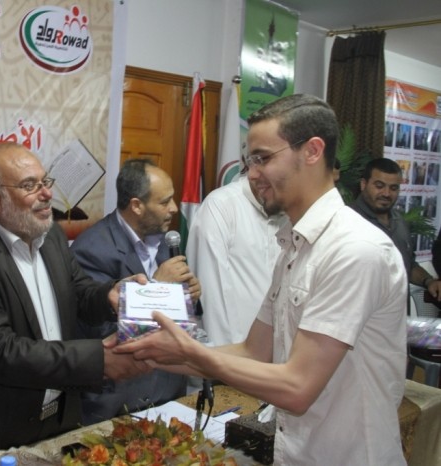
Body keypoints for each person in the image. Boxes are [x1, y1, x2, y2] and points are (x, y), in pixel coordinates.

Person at [116, 94, 408, 465]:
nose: (252, 174)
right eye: (250, 160)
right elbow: (254, 351)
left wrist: (190, 352)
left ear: (313, 151)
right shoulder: (294, 246)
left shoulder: (353, 250)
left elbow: (298, 388)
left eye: (263, 158)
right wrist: (155, 353)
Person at [0, 142, 150, 465]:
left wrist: (110, 294)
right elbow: (1, 352)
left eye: (45, 181)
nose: (47, 194)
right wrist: (99, 358)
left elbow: (78, 291)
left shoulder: (51, 236)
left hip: (57, 424)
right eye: (30, 186)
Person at [70, 159, 199, 423]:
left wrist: (189, 298)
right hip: (119, 402)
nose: (174, 209)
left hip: (169, 393)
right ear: (137, 205)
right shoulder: (91, 250)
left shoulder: (166, 240)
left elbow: (180, 320)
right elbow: (103, 333)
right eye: (164, 202)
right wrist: (158, 288)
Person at [186, 173, 286, 345]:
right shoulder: (221, 205)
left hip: (280, 354)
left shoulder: (289, 208)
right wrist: (223, 359)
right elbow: (212, 299)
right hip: (231, 354)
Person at [350, 157, 441, 300]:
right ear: (363, 184)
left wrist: (429, 281)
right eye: (379, 186)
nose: (386, 193)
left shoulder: (399, 221)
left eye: (393, 188)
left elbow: (408, 266)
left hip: (398, 311)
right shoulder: (347, 221)